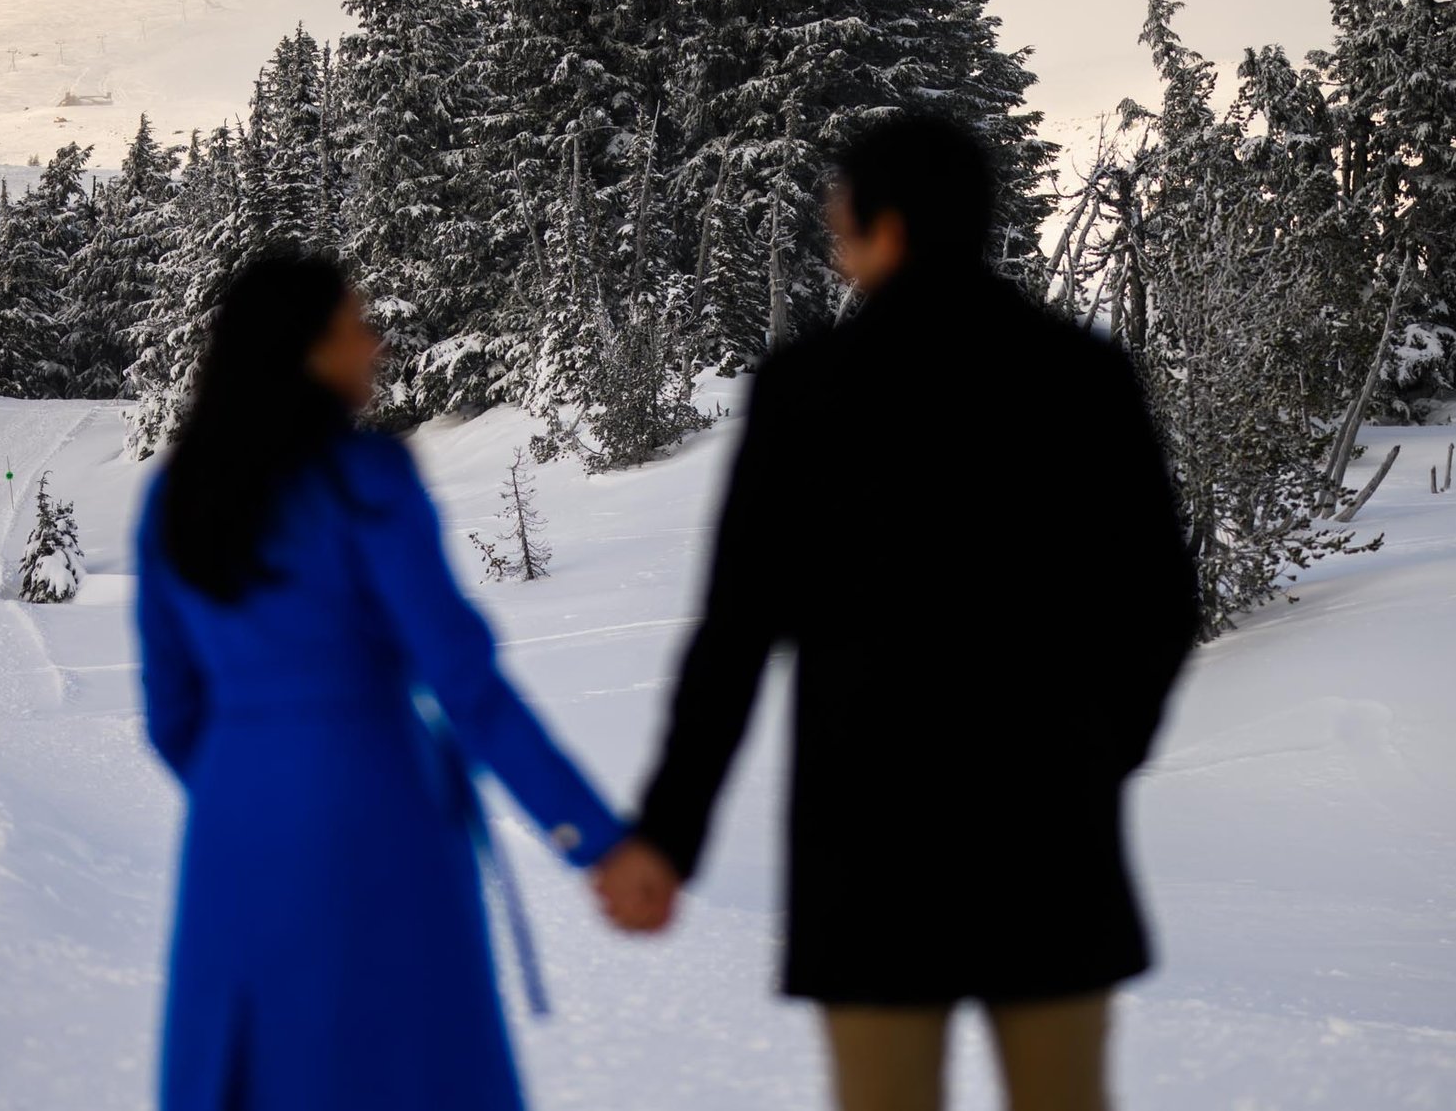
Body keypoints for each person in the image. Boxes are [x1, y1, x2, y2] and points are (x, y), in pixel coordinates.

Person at [594, 114, 1200, 1111]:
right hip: (1048, 839)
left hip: (866, 855)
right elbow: (1159, 601)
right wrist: (1096, 754)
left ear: (886, 227)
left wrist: (666, 833)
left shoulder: (807, 391)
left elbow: (736, 633)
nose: (834, 231)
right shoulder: (1081, 375)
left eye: (841, 211)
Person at [135, 252, 646, 1110]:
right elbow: (464, 681)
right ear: (303, 349)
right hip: (374, 808)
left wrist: (250, 781)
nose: (374, 342)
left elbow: (170, 713)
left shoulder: (174, 499)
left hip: (234, 828)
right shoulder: (365, 480)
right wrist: (595, 837)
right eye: (354, 326)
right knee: (396, 1063)